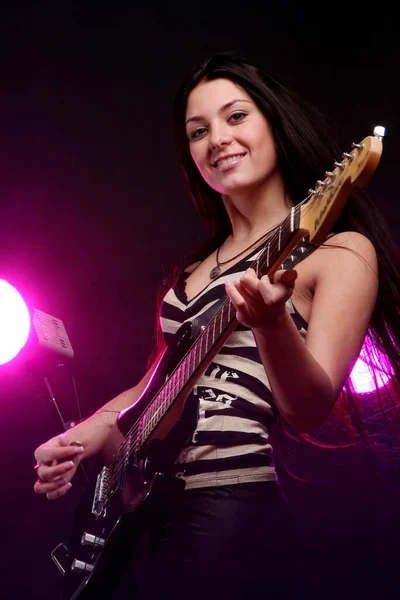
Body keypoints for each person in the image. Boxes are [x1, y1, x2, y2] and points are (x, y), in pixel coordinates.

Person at [33, 51, 400, 599]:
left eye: (235, 116)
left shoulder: (339, 250)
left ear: (274, 122)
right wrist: (80, 436)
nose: (217, 139)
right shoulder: (192, 272)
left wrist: (272, 322)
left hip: (228, 511)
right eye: (197, 130)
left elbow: (308, 408)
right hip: (141, 516)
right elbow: (154, 391)